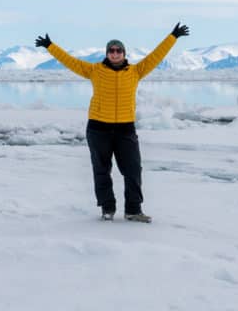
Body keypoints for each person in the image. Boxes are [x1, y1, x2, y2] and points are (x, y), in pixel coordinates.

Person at [35, 23, 190, 222]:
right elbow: (70, 61)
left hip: (125, 128)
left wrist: (173, 36)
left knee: (133, 170)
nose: (115, 54)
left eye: (119, 51)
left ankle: (133, 210)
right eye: (111, 51)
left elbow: (156, 56)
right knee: (101, 170)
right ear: (107, 53)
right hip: (99, 128)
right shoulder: (94, 70)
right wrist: (50, 46)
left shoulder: (135, 71)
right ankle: (107, 208)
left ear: (124, 53)